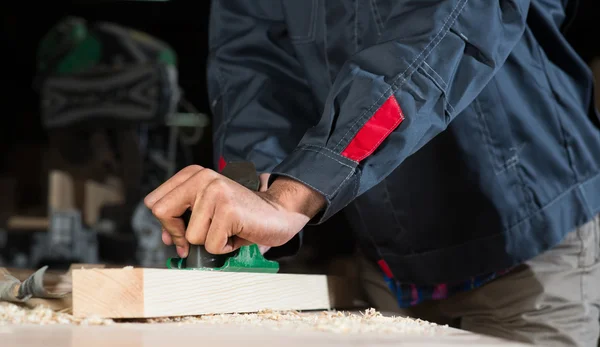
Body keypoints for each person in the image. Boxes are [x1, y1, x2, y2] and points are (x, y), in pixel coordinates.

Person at [144, 1, 600, 345]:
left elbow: (446, 32)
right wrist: (252, 190)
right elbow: (253, 64)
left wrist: (295, 194)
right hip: (391, 262)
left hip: (530, 246)